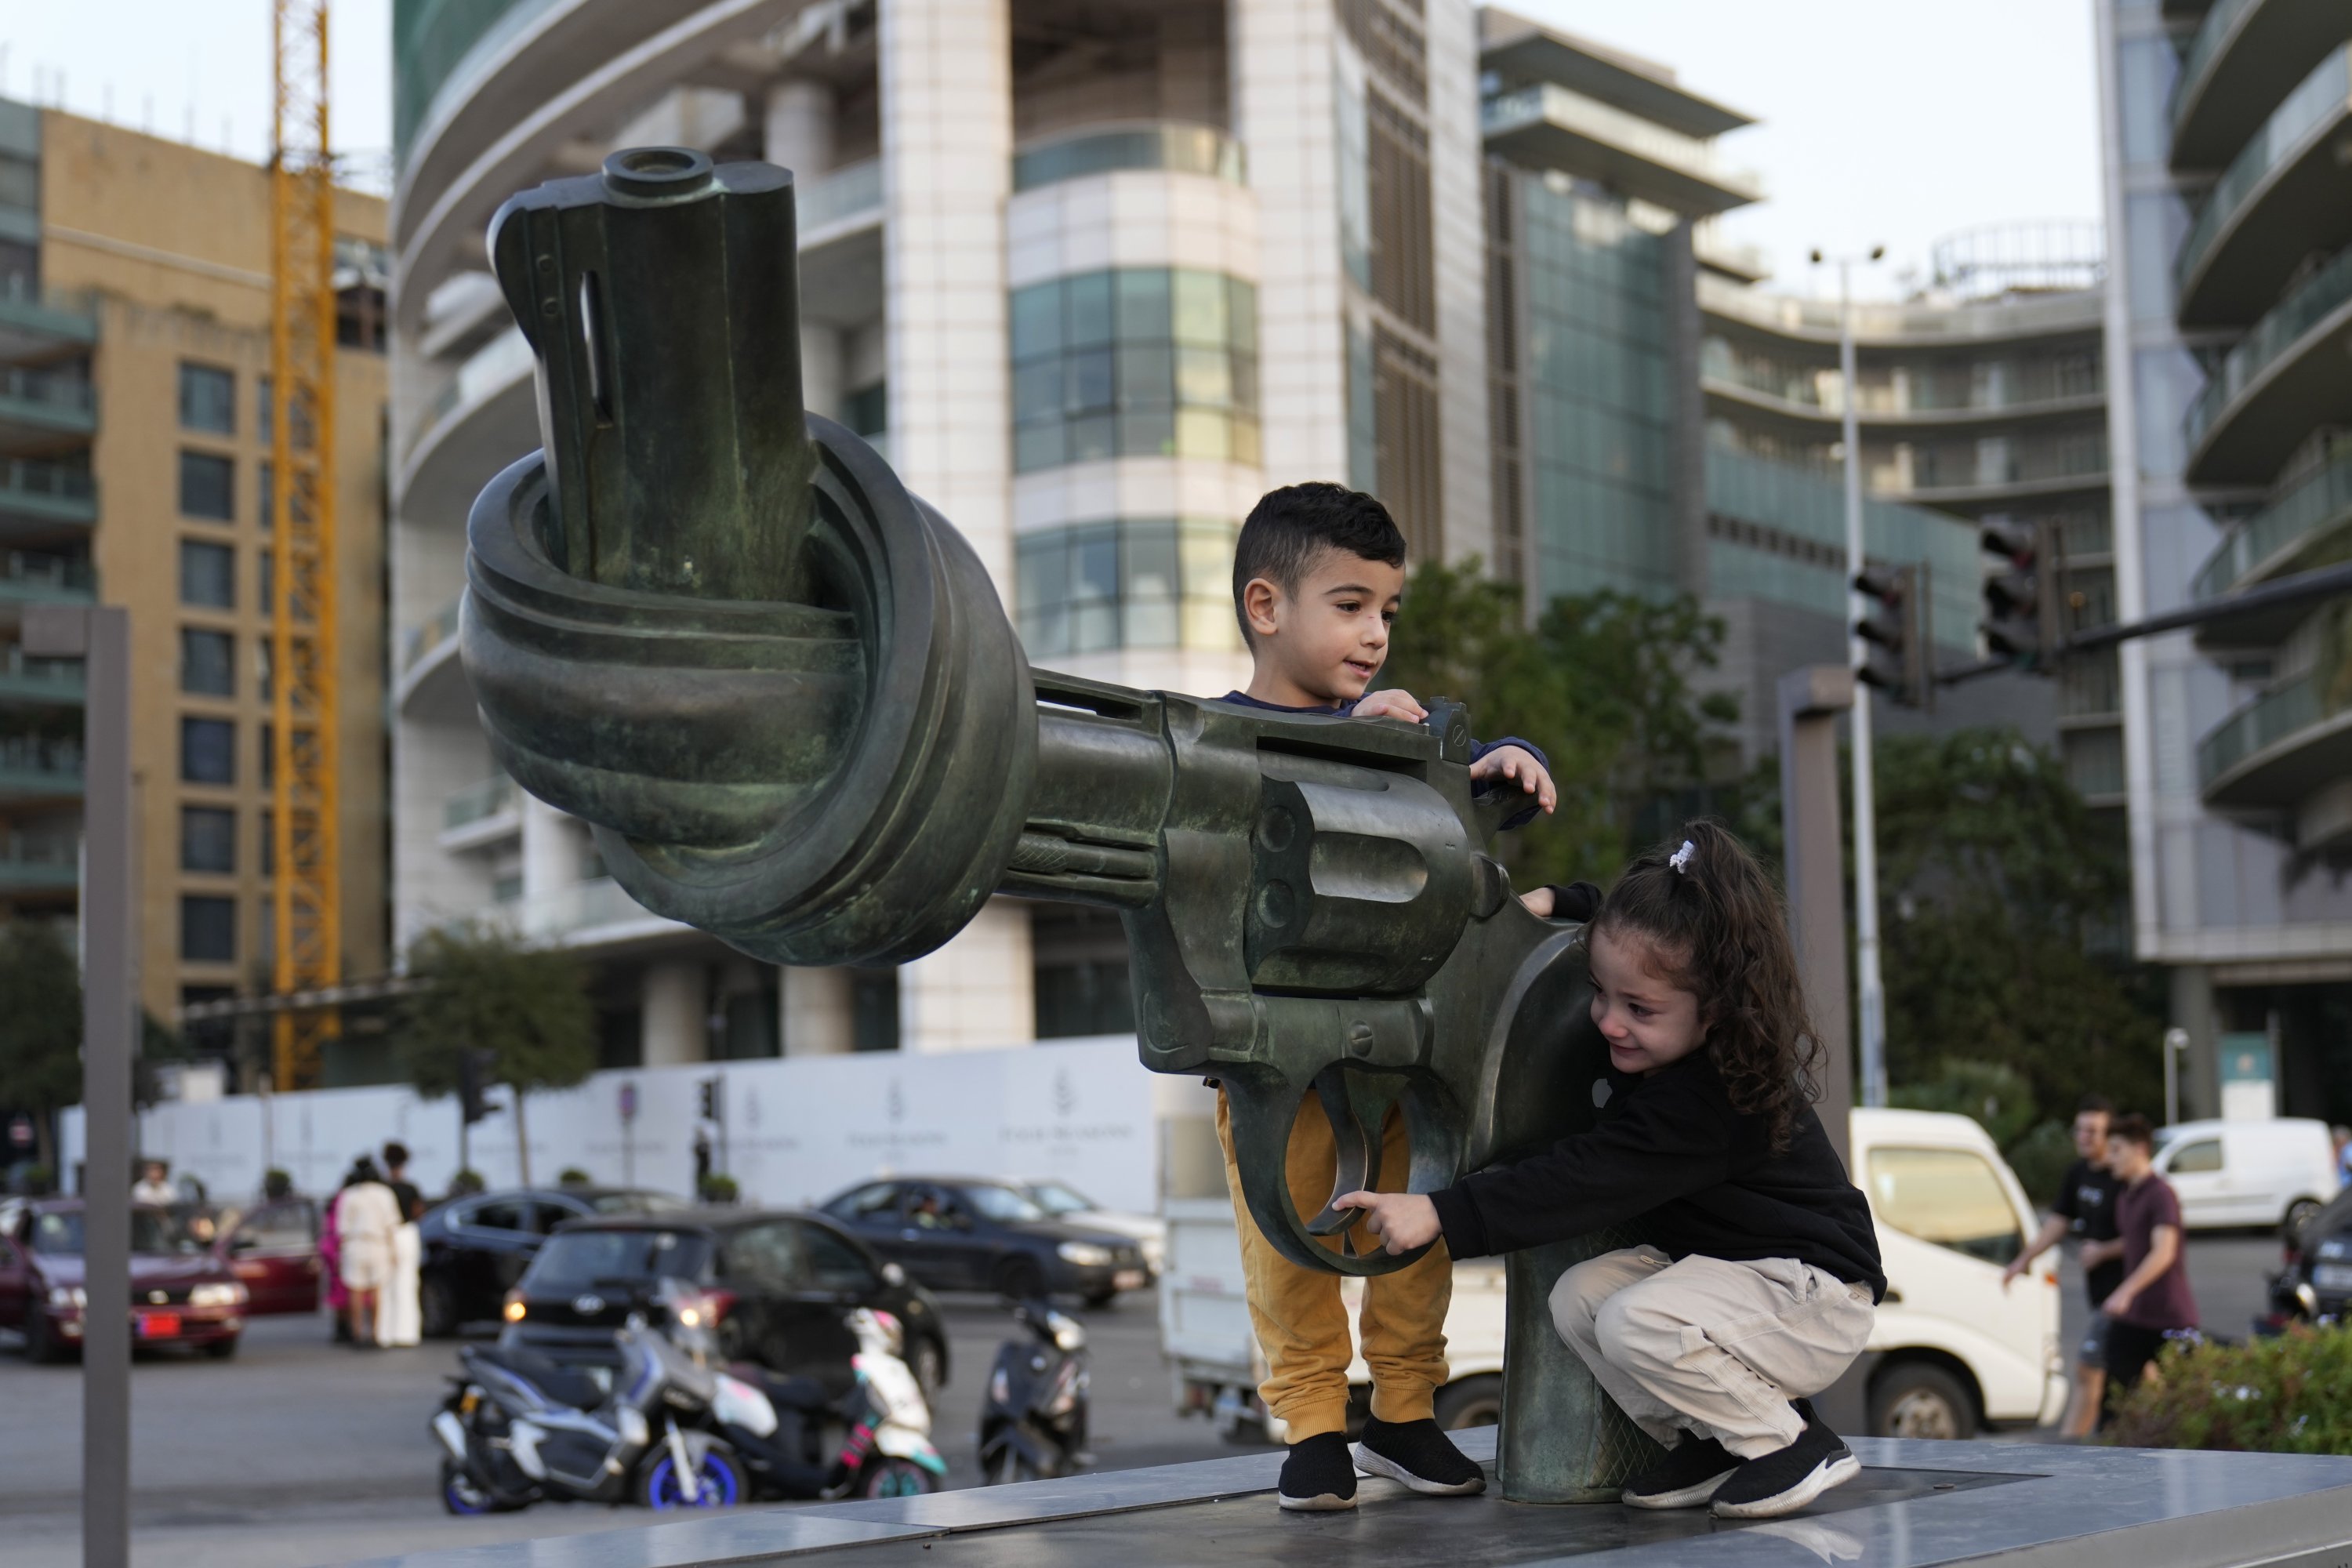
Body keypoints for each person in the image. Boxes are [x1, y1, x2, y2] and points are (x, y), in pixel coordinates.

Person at [1338, 822, 1885, 1522]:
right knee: (1581, 1298)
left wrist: (1445, 1211)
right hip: (1739, 1281)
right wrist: (1550, 905)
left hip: (1812, 1298)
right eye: (1601, 992)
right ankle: (1715, 1439)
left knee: (1634, 1319)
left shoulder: (1710, 1098)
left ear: (1716, 1009)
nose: (1609, 1021)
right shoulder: (1671, 985)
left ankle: (1791, 1443)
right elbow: (1623, 916)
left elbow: (1586, 1176)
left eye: (1640, 1010)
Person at [1207, 482, 1561, 1513]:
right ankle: (1316, 1430)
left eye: (1388, 614)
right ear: (1266, 608)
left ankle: (1406, 1413)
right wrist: (1358, 739)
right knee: (1288, 1248)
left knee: (1415, 1233)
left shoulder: (1397, 726)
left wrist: (1505, 763)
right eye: (1350, 605)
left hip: (1403, 1052)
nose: (1374, 635)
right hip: (1279, 1059)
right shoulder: (1219, 736)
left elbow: (1463, 812)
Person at [2001, 1094, 2124, 1436]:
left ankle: (2072, 1447)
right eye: (2080, 1130)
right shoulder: (2078, 1174)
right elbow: (2057, 1224)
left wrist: (2104, 1251)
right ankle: (2124, 1439)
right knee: (2129, 1372)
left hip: (2127, 1295)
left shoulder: (2123, 1176)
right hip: (2101, 1294)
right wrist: (2022, 1261)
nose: (2084, 1137)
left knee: (2089, 1368)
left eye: (2093, 1131)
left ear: (2110, 1136)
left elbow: (2150, 1238)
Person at [2100, 1113, 2198, 1421]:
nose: (2110, 1157)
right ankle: (2108, 1463)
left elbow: (2164, 1251)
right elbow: (2134, 1241)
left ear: (2140, 1149)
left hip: (2170, 1316)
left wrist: (2124, 1292)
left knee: (2189, 1402)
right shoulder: (2126, 1195)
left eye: (2116, 1149)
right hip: (2134, 1318)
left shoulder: (2161, 1194)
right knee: (2114, 1403)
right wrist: (2102, 1253)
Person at [334, 1156, 401, 1348]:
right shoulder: (385, 1193)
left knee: (356, 1291)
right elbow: (391, 1225)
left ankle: (357, 1334)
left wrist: (340, 1254)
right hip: (378, 1244)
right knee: (376, 1290)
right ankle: (374, 1334)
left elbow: (342, 1229)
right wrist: (393, 1251)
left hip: (355, 1244)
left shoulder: (348, 1195)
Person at [377, 1142, 426, 1348]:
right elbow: (418, 1212)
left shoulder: (382, 1188)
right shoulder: (411, 1188)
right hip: (406, 1233)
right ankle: (407, 1333)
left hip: (386, 1233)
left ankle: (385, 1333)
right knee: (407, 1283)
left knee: (385, 1285)